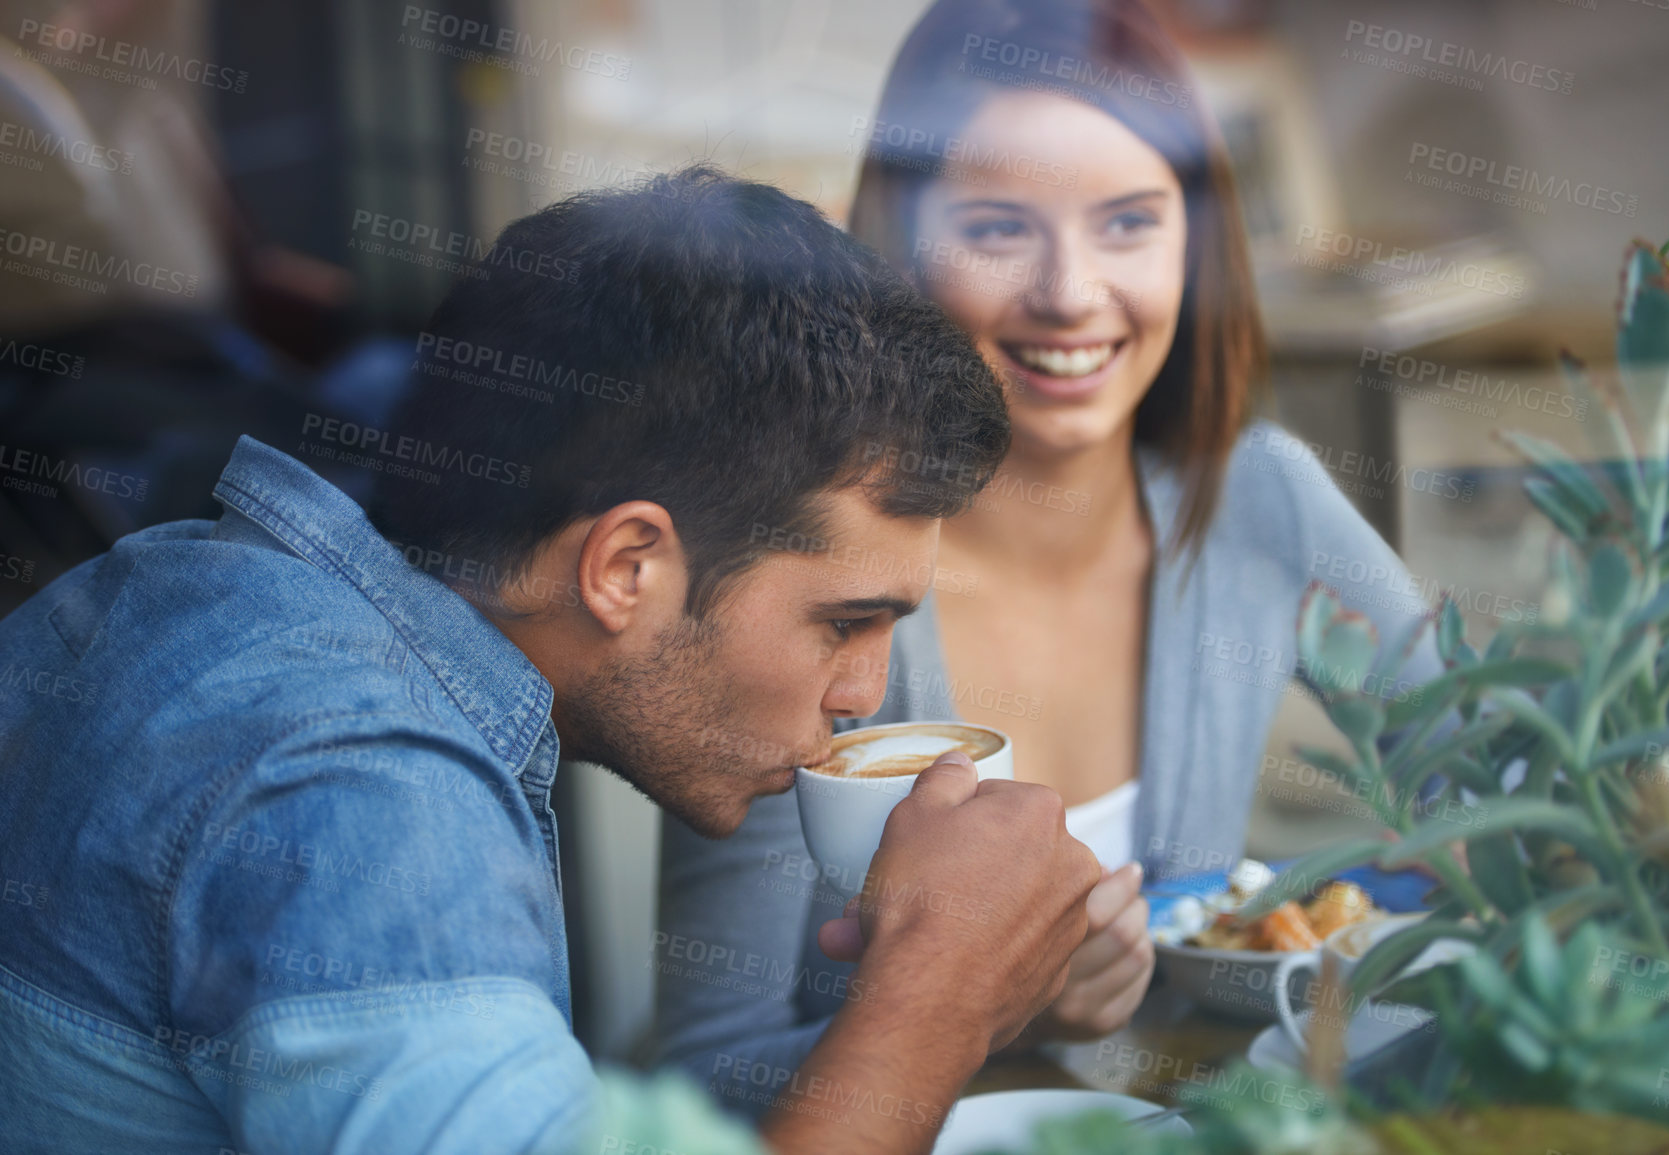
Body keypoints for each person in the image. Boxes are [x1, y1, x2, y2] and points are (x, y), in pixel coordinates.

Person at [0, 166, 1101, 1155]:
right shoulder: (361, 794)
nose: (863, 696)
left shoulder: (202, 593)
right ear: (626, 564)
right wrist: (937, 993)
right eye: (843, 622)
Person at [654, 0, 1444, 1106]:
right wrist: (986, 1005)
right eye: (998, 227)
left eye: (1129, 223)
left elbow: (1511, 783)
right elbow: (697, 1079)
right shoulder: (798, 564)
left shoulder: (1261, 497)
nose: (1071, 293)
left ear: (1197, 242)